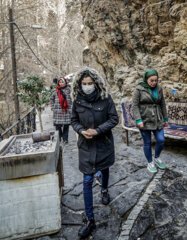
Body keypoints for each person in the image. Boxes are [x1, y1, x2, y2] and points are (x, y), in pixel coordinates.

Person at [71, 67, 119, 238]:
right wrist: (80, 130)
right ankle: (90, 219)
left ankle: (104, 189)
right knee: (87, 179)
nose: (87, 86)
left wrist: (98, 131)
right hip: (85, 146)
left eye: (90, 83)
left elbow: (114, 119)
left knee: (105, 170)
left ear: (96, 83)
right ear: (79, 84)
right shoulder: (76, 100)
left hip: (103, 144)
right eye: (84, 83)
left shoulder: (105, 98)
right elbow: (73, 120)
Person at [132, 69, 169, 173]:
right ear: (146, 79)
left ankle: (157, 158)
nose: (154, 83)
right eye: (151, 80)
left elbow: (162, 104)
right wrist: (139, 120)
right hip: (144, 119)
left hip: (157, 119)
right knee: (147, 142)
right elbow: (134, 105)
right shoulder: (139, 89)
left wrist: (165, 118)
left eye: (156, 80)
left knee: (161, 140)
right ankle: (150, 162)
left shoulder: (159, 88)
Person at [50, 77, 72, 144]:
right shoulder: (55, 91)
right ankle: (59, 138)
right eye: (60, 82)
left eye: (62, 82)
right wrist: (53, 107)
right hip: (57, 112)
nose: (61, 83)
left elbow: (73, 99)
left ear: (65, 82)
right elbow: (51, 99)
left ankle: (65, 139)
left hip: (66, 111)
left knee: (66, 126)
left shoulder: (69, 90)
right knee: (58, 126)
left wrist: (71, 107)